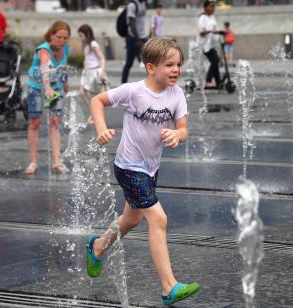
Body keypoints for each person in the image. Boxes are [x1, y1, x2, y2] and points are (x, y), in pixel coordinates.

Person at [87, 38, 201, 305]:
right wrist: (101, 129)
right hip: (128, 167)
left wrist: (177, 134)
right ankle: (168, 287)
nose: (176, 70)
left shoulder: (177, 94)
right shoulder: (134, 91)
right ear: (151, 68)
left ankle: (98, 247)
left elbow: (184, 130)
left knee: (132, 220)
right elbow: (97, 100)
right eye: (169, 65)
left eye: (178, 65)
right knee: (158, 219)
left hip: (151, 168)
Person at [25, 21, 71, 175]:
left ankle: (56, 162)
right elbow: (45, 70)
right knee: (35, 123)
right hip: (37, 87)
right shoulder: (43, 50)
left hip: (56, 87)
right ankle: (33, 162)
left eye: (65, 38)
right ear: (51, 35)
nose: (62, 41)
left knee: (55, 122)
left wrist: (65, 82)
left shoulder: (65, 48)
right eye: (59, 37)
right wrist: (48, 88)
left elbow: (63, 66)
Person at [78, 24, 107, 124]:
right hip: (87, 72)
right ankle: (94, 113)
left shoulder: (93, 44)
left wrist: (102, 72)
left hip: (95, 72)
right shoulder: (86, 45)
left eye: (81, 36)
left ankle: (95, 115)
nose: (81, 38)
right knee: (82, 92)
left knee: (95, 97)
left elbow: (102, 58)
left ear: (87, 34)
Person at [121, 0, 148, 84]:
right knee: (129, 63)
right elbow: (132, 24)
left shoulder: (143, 3)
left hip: (143, 37)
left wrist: (145, 36)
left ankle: (153, 85)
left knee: (150, 61)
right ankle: (123, 84)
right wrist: (138, 39)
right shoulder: (132, 5)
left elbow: (141, 21)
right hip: (133, 38)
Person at [197, 0, 221, 89]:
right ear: (206, 7)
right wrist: (211, 31)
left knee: (216, 61)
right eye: (211, 6)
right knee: (215, 60)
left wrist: (220, 33)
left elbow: (216, 29)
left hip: (211, 44)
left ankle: (218, 82)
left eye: (214, 6)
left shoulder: (212, 17)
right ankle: (208, 81)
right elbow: (201, 32)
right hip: (204, 45)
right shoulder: (202, 18)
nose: (213, 8)